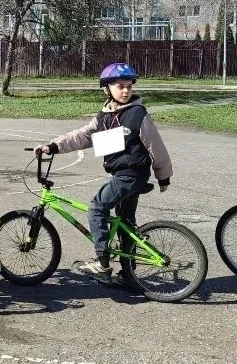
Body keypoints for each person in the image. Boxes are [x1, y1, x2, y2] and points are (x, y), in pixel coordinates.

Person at [32, 63, 172, 281]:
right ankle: (129, 274)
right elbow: (81, 136)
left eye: (129, 86)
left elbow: (156, 145)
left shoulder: (137, 114)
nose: (125, 91)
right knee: (125, 222)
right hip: (121, 175)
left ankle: (102, 262)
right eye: (120, 86)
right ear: (107, 89)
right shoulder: (104, 117)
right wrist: (53, 146)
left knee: (97, 207)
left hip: (132, 174)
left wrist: (163, 175)